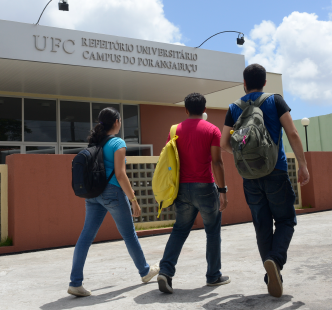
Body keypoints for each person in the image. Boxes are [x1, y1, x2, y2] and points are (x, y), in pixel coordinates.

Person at [220, 64, 310, 298]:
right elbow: (293, 133)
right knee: (286, 220)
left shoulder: (233, 107)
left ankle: (272, 272)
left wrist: (243, 159)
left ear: (244, 83)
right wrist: (303, 164)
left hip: (249, 177)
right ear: (264, 82)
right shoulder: (275, 100)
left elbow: (223, 144)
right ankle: (275, 261)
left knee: (261, 225)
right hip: (276, 171)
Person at [68, 107, 159, 297]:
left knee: (86, 236)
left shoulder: (96, 143)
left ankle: (75, 282)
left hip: (94, 195)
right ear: (116, 122)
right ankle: (145, 271)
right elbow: (120, 174)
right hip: (112, 193)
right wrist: (133, 199)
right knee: (129, 234)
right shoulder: (118, 142)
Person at [157, 93, 230, 294]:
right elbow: (217, 162)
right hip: (206, 187)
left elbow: (170, 160)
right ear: (204, 110)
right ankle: (213, 276)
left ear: (186, 110)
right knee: (212, 231)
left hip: (182, 188)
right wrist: (222, 191)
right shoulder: (212, 130)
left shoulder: (175, 131)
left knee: (180, 230)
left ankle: (165, 271)